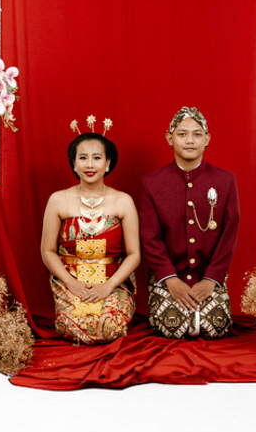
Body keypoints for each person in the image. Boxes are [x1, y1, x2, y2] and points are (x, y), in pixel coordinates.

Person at [138, 107, 239, 339]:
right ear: (169, 138)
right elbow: (150, 237)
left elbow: (229, 234)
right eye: (182, 134)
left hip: (208, 276)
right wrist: (170, 279)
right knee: (172, 328)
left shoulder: (225, 181)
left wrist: (211, 279)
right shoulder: (152, 183)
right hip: (168, 277)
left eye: (197, 134)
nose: (190, 140)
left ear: (207, 139)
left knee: (215, 327)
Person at [40, 129, 141, 344]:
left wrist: (109, 286)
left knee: (109, 328)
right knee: (72, 327)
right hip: (71, 280)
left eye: (96, 158)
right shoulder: (58, 200)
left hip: (112, 282)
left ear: (107, 163)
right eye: (83, 158)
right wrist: (71, 283)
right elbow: (47, 250)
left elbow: (134, 254)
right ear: (74, 163)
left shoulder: (123, 201)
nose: (89, 165)